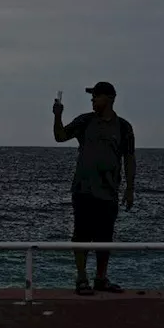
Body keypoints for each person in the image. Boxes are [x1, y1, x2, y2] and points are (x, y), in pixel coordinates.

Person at [53, 81, 135, 295]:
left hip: (109, 192)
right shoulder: (85, 121)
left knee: (105, 238)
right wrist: (57, 115)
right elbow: (60, 136)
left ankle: (101, 278)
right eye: (92, 97)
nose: (93, 100)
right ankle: (81, 278)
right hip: (83, 190)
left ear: (109, 98)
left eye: (96, 96)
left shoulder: (124, 127)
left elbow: (129, 158)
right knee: (81, 236)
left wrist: (130, 189)